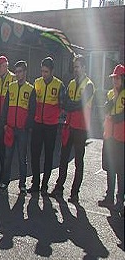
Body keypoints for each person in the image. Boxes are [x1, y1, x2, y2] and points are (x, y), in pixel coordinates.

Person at [50, 55, 94, 203]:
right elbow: (66, 103)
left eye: (78, 67)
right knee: (63, 158)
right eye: (74, 67)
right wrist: (70, 105)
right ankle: (59, 187)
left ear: (84, 68)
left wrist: (70, 105)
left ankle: (75, 193)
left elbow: (77, 105)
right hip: (69, 125)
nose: (75, 69)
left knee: (78, 162)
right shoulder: (71, 84)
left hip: (81, 128)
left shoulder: (89, 85)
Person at [28, 57, 66, 194]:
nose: (44, 74)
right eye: (42, 71)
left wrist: (54, 116)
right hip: (38, 124)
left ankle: (44, 185)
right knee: (34, 154)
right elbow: (32, 104)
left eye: (46, 71)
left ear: (52, 71)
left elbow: (63, 105)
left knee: (48, 156)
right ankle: (35, 183)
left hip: (51, 126)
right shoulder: (37, 83)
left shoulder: (59, 85)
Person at [0, 61, 35, 194]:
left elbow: (32, 111)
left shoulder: (30, 89)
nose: (18, 74)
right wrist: (4, 123)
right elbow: (5, 107)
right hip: (10, 129)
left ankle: (22, 185)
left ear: (25, 72)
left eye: (20, 71)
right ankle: (4, 182)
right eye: (17, 71)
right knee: (8, 157)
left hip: (22, 130)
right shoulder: (11, 87)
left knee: (21, 158)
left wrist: (26, 126)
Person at [98, 64, 124, 213]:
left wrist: (112, 117)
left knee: (121, 170)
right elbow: (105, 109)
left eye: (118, 78)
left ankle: (120, 199)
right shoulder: (110, 94)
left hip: (121, 138)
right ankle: (109, 197)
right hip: (109, 136)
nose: (115, 81)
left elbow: (121, 116)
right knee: (109, 168)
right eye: (114, 78)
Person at [0, 55, 15, 183]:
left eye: (0, 67)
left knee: (8, 150)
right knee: (1, 149)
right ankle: (3, 174)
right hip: (0, 119)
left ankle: (6, 176)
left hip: (9, 121)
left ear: (5, 66)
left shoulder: (13, 79)